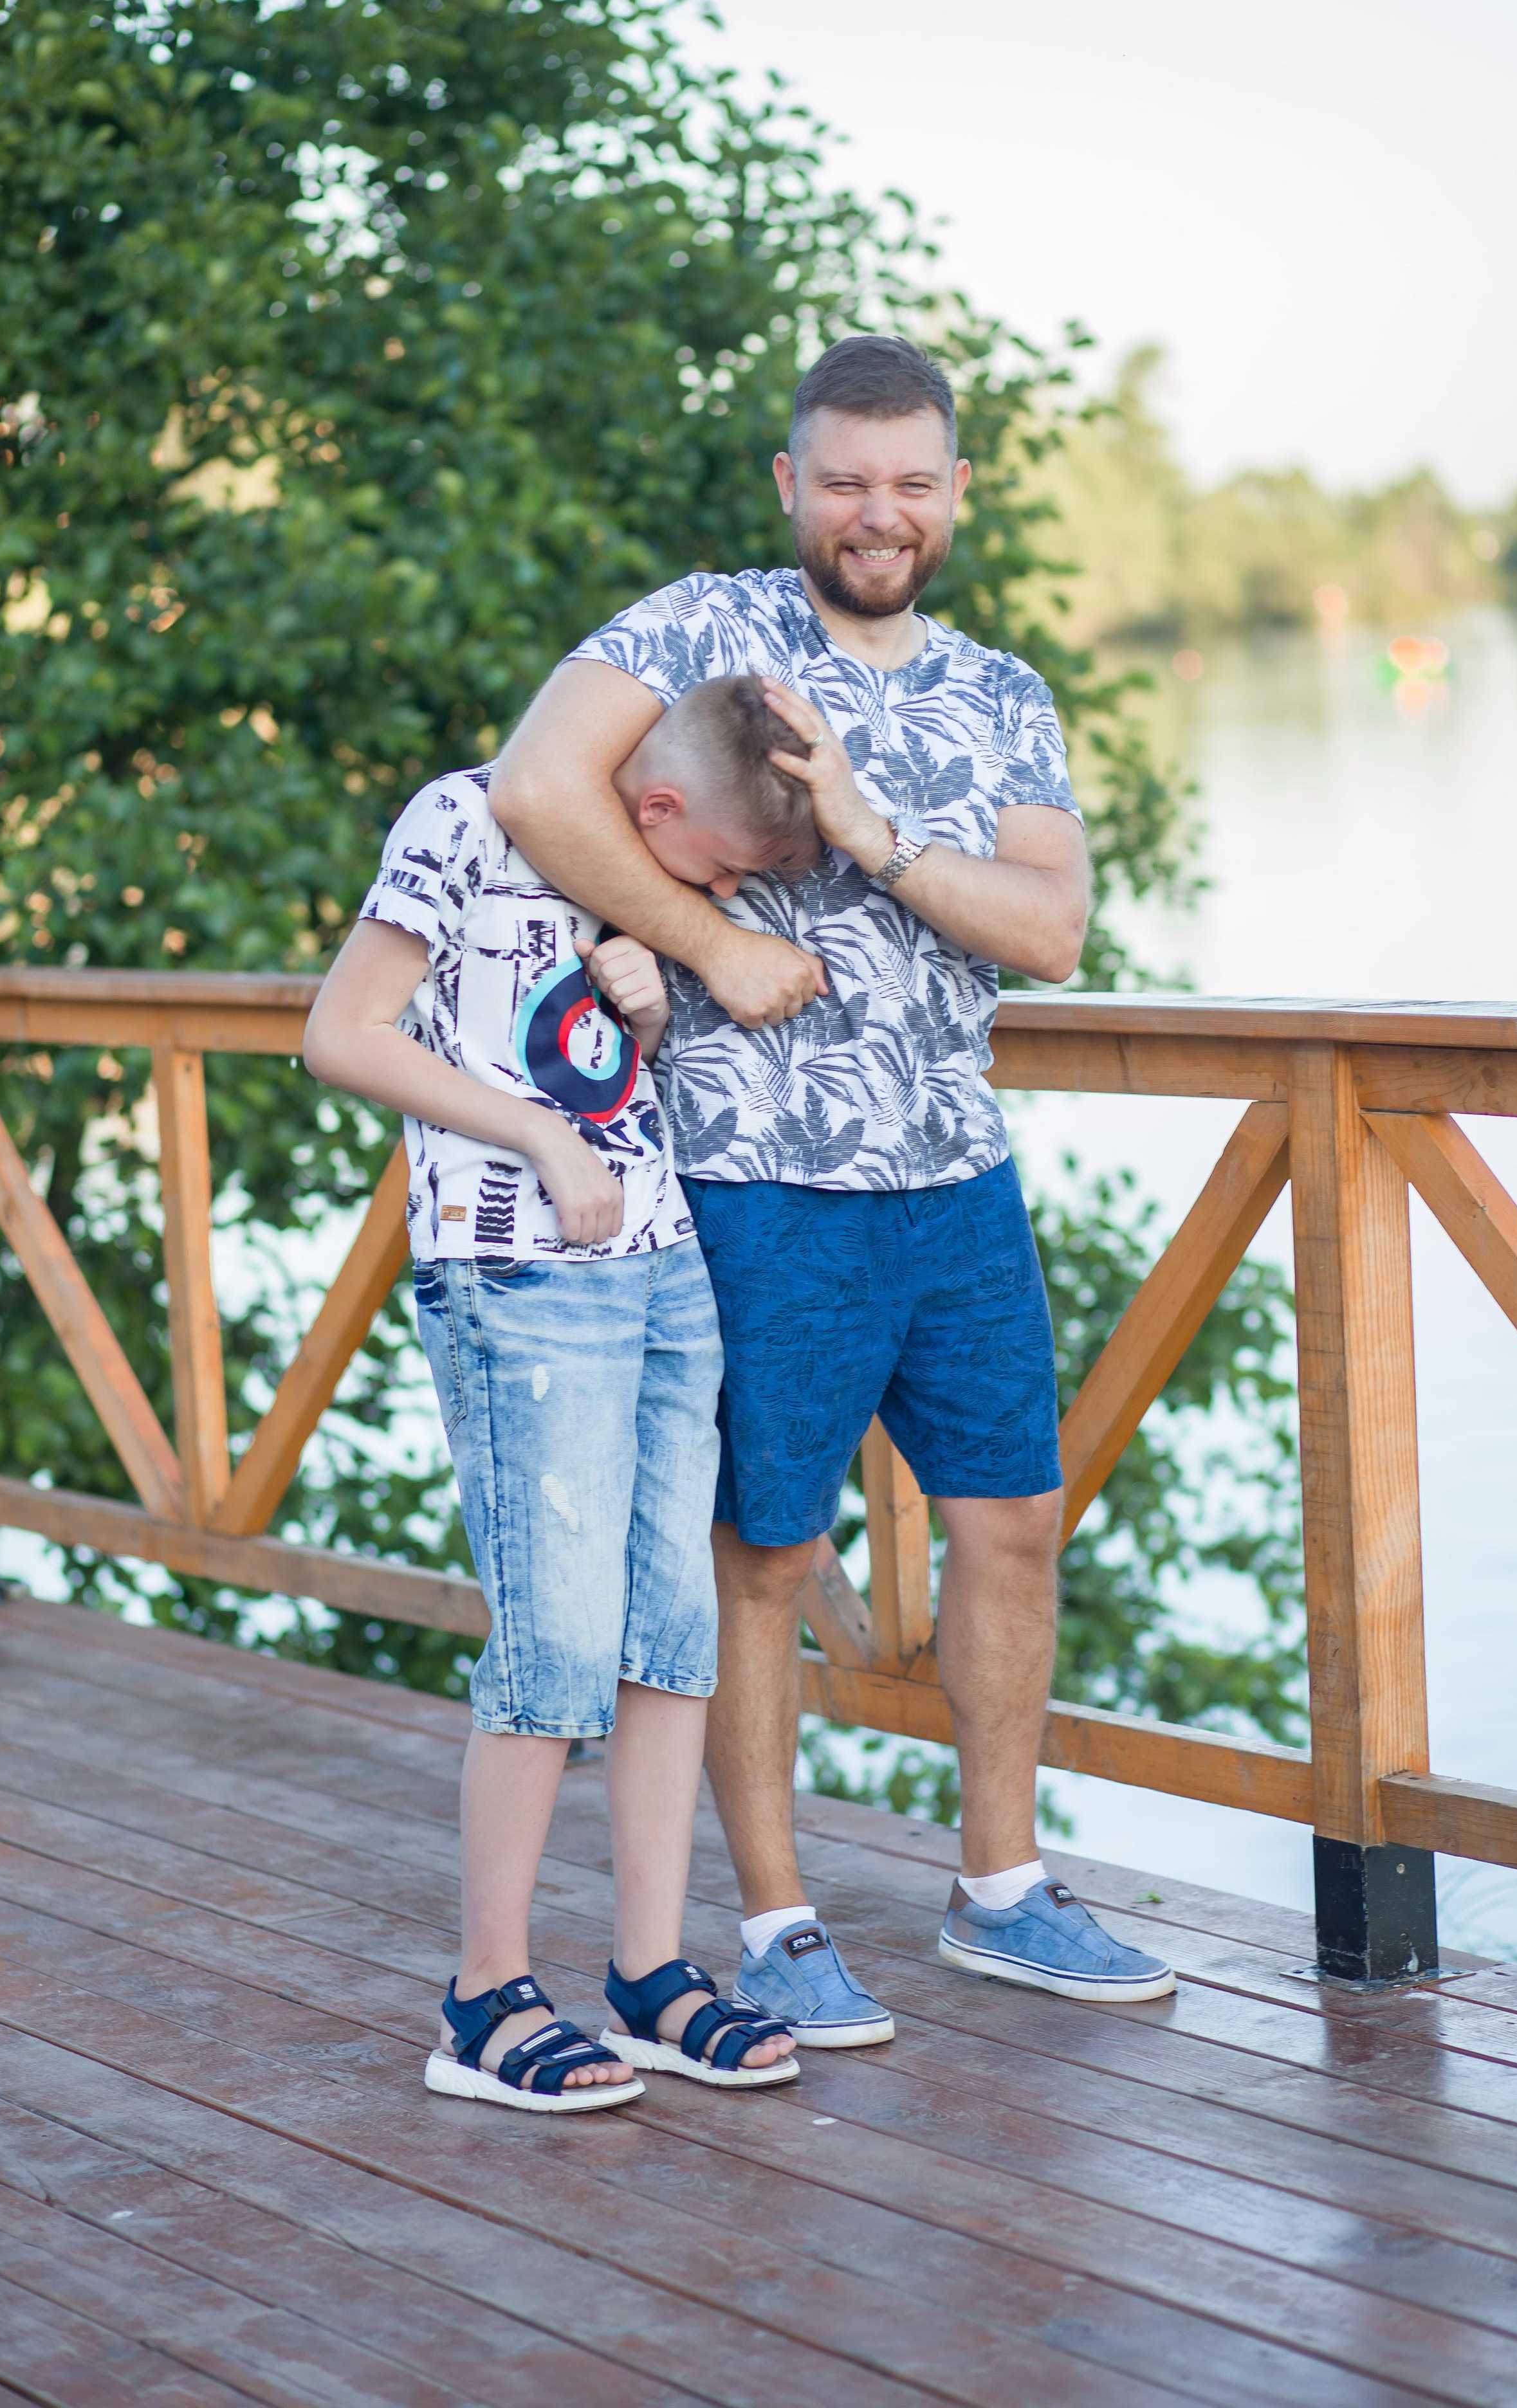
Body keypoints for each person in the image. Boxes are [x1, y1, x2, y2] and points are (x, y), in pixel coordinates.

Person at [487, 334, 1176, 2041]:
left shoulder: (1001, 691)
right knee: (765, 1557)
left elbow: (1054, 931)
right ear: (795, 484)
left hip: (955, 1176)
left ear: (956, 494)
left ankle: (1002, 1891)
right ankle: (781, 1924)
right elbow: (531, 788)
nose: (882, 512)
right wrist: (712, 937)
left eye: (913, 482)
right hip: (751, 1181)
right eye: (849, 480)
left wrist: (868, 832)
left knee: (1012, 1523)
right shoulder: (694, 627)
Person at [303, 677, 820, 2113]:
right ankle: (482, 1996)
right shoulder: (466, 818)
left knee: (672, 1627)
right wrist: (535, 1138)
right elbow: (342, 1035)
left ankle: (649, 1975)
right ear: (657, 809)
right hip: (518, 1276)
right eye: (714, 872)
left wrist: (644, 1020)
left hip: (662, 1266)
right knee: (556, 1633)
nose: (711, 901)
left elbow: (581, 1068)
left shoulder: (628, 879)